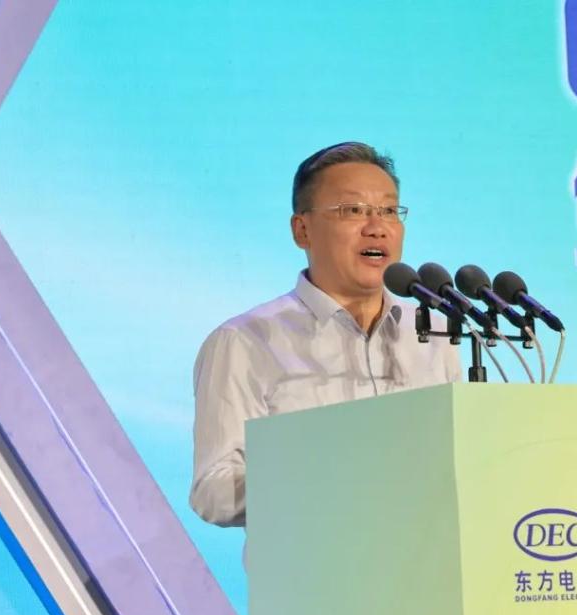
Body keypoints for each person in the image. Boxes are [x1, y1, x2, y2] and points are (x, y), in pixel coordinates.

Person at [189, 141, 461, 531]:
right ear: (302, 230)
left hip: (430, 559)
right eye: (353, 210)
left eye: (388, 210)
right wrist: (324, 480)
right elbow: (213, 491)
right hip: (317, 564)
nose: (376, 227)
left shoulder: (435, 334)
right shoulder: (245, 342)